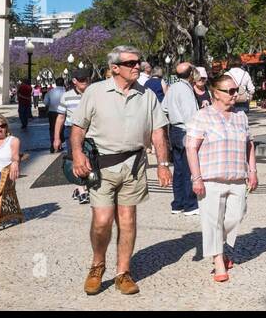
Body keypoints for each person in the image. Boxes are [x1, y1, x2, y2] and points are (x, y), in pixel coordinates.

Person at [68, 45, 171, 296]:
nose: (137, 66)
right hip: (101, 166)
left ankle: (123, 272)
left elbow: (158, 132)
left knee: (128, 220)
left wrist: (164, 165)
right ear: (115, 68)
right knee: (102, 221)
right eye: (131, 63)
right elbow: (78, 128)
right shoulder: (95, 92)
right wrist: (77, 154)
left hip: (134, 167)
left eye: (138, 62)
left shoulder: (146, 96)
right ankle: (97, 264)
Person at [185, 71, 258, 282]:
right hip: (210, 179)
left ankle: (218, 245)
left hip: (237, 177)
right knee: (212, 221)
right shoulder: (202, 116)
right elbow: (191, 148)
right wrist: (196, 178)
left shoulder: (240, 116)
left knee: (235, 217)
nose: (235, 95)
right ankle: (218, 261)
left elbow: (249, 144)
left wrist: (252, 171)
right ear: (215, 93)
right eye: (231, 91)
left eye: (237, 90)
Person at [162, 63, 210, 216]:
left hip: (174, 129)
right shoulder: (185, 90)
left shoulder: (173, 88)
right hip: (185, 130)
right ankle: (190, 204)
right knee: (189, 167)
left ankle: (178, 203)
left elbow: (164, 108)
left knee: (179, 168)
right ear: (191, 74)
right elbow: (190, 115)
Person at [53, 65, 94, 203]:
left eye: (86, 79)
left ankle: (83, 187)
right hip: (72, 131)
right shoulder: (67, 96)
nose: (84, 82)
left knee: (92, 159)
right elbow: (60, 117)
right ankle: (82, 190)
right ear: (75, 81)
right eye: (81, 80)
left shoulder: (94, 94)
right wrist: (57, 138)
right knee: (75, 159)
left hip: (91, 131)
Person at [43, 81, 66, 151]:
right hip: (64, 112)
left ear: (56, 83)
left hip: (52, 112)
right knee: (62, 128)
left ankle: (53, 144)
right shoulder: (66, 91)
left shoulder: (50, 92)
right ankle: (60, 145)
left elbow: (45, 102)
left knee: (52, 129)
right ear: (63, 83)